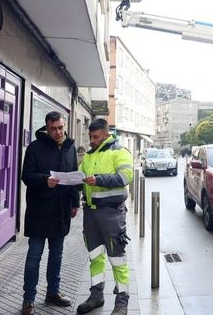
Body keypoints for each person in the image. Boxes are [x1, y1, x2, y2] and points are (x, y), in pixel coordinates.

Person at [20, 111, 81, 315]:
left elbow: (72, 177)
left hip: (61, 210)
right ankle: (29, 299)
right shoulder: (35, 148)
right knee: (34, 256)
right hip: (39, 209)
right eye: (54, 128)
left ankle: (53, 293)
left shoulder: (69, 148)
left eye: (61, 127)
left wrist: (74, 203)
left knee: (57, 255)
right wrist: (44, 179)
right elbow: (26, 176)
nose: (58, 132)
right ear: (46, 128)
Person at [76, 118, 134, 315]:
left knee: (117, 258)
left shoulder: (119, 151)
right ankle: (96, 296)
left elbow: (126, 177)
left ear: (106, 135)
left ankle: (122, 302)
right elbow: (80, 178)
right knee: (95, 257)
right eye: (90, 137)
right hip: (90, 214)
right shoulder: (89, 156)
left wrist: (99, 179)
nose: (91, 140)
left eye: (95, 137)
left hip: (111, 213)